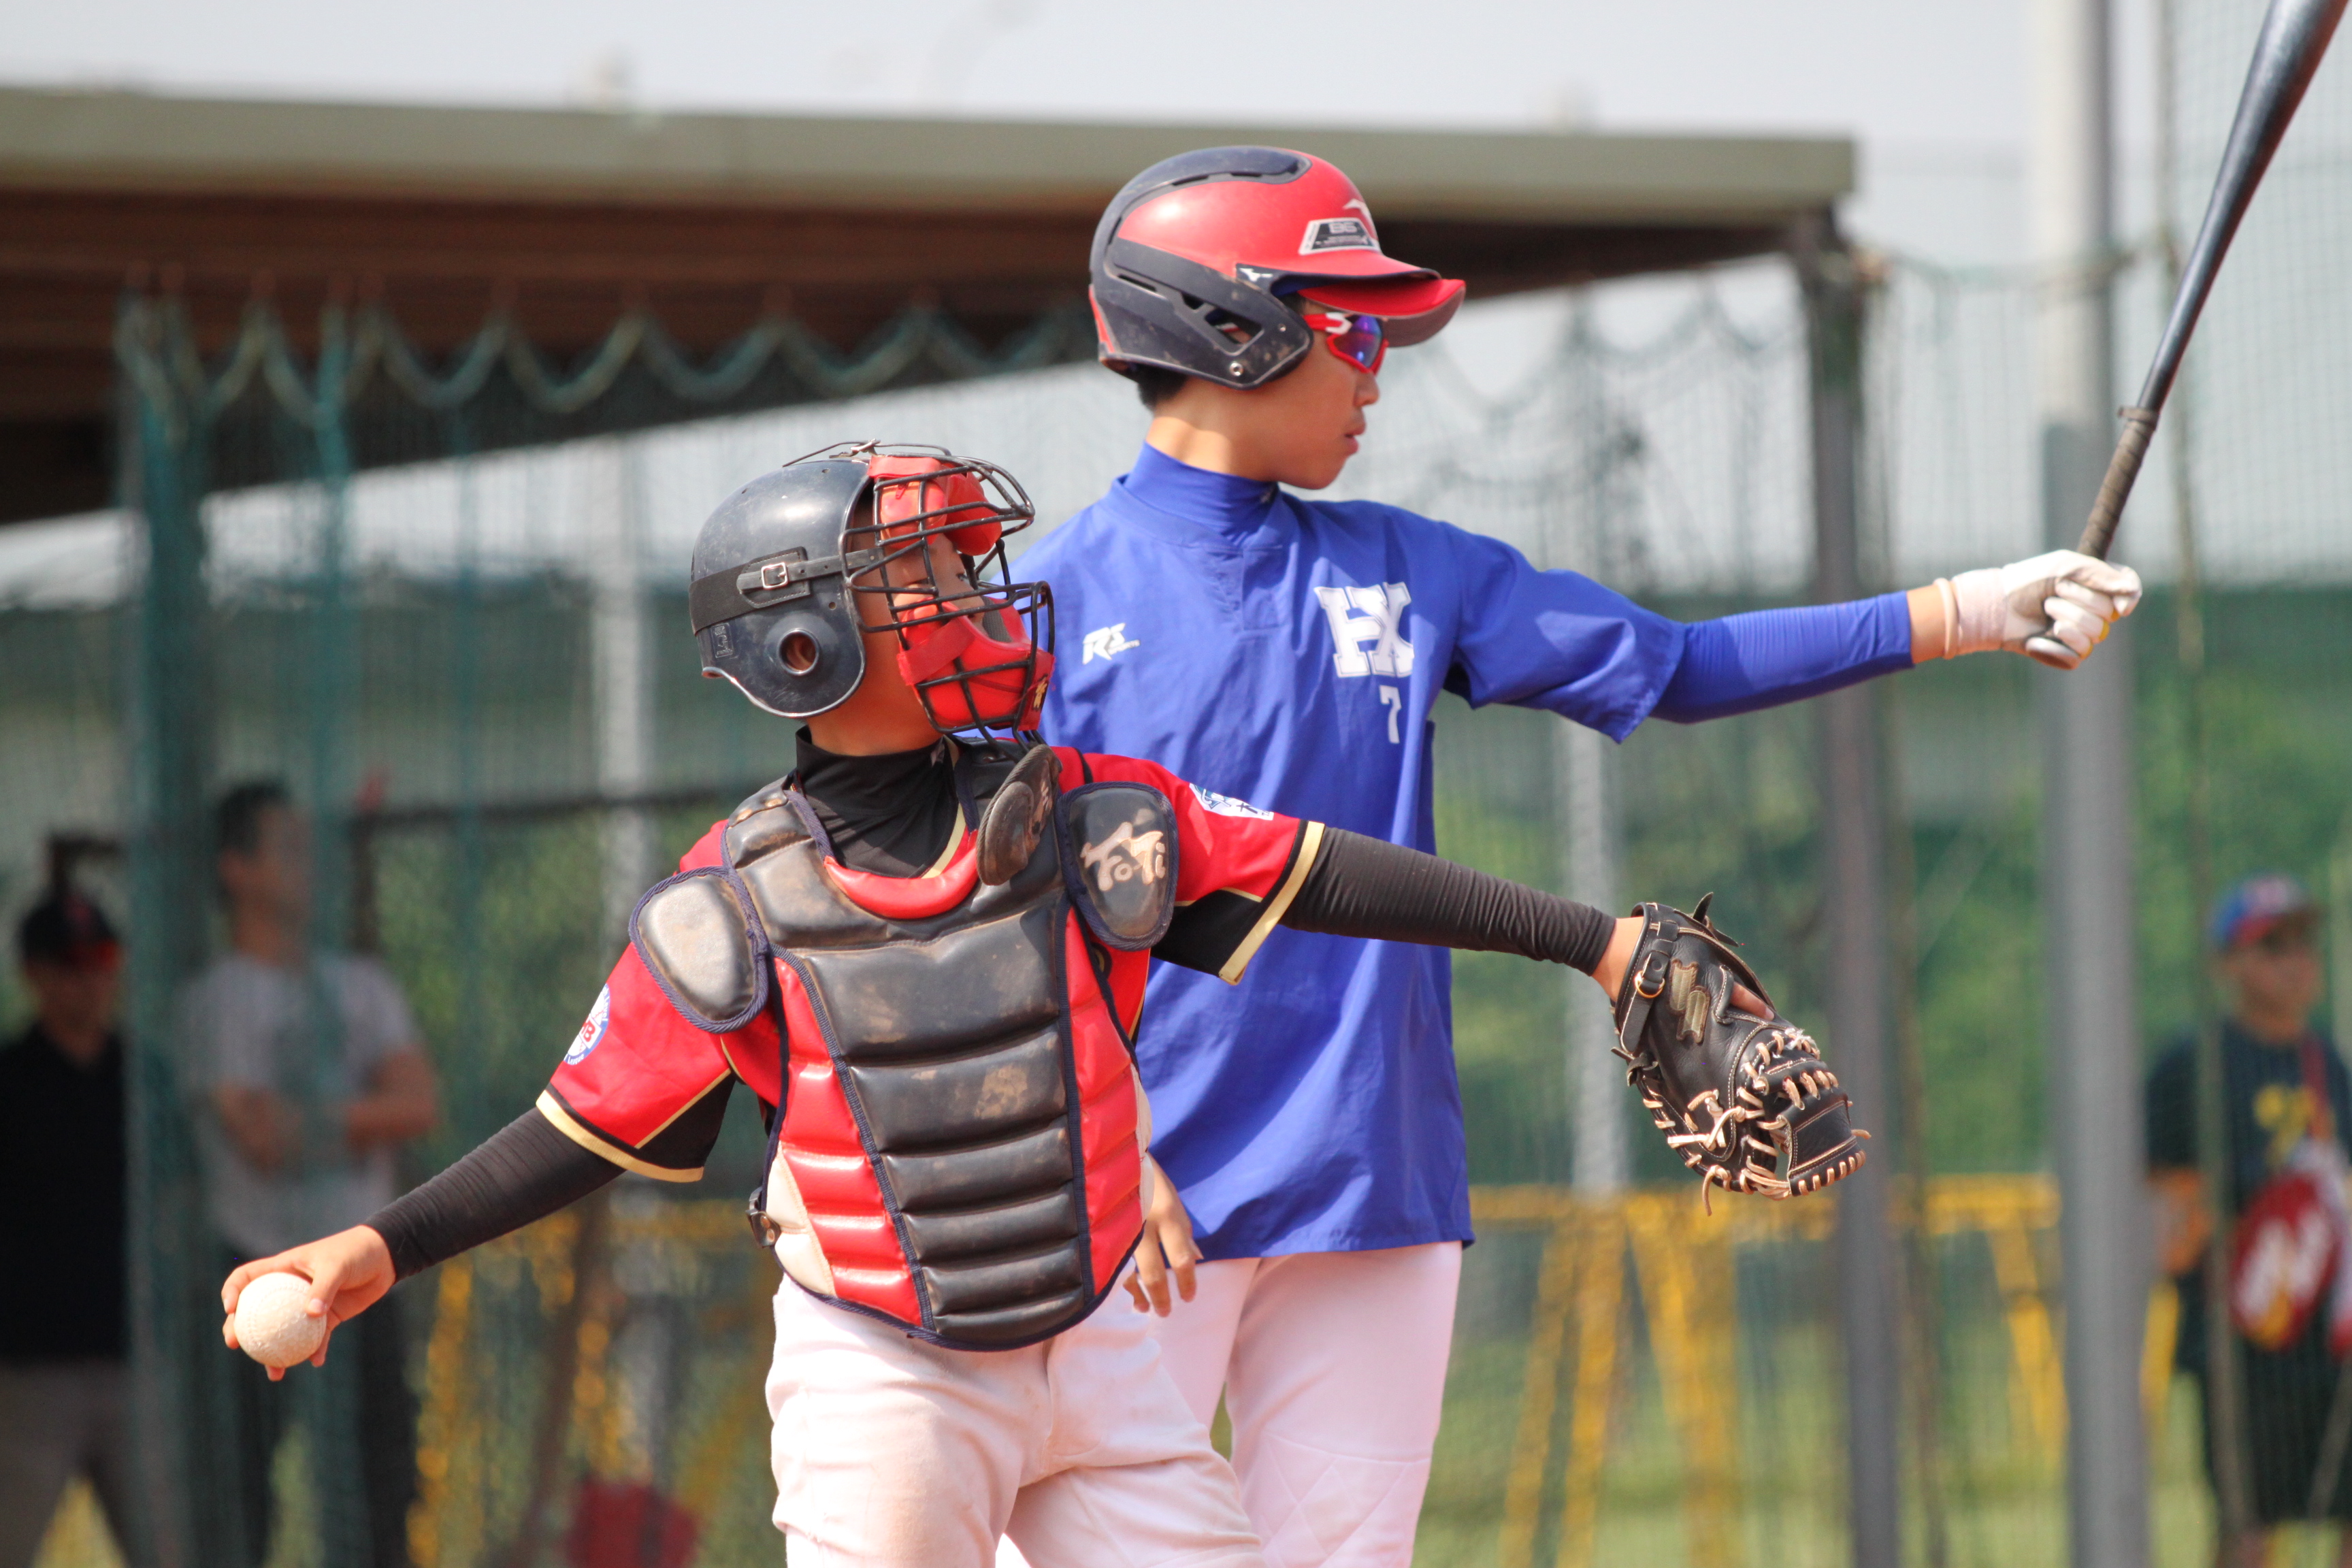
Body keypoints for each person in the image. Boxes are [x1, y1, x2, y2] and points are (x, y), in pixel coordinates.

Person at [217, 445, 1832, 1568]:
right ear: (803, 643)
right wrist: (376, 1250)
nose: (982, 599)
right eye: (924, 579)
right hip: (887, 1372)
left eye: (968, 566)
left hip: (1105, 1350)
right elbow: (580, 1130)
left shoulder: (1082, 810)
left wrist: (1596, 944)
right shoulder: (731, 904)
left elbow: (1332, 874)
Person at [1017, 144, 2149, 1565]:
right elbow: (1000, 922)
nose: (1378, 372)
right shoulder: (1042, 607)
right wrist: (1096, 1140)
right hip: (1144, 1191)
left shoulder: (1402, 566)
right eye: (1354, 330)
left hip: (1374, 1179)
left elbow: (1678, 664)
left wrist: (1970, 609)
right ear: (1227, 328)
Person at [182, 781, 440, 1568]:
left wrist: (308, 1122)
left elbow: (419, 1104)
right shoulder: (216, 1000)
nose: (314, 864)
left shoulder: (362, 984)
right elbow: (261, 1139)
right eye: (290, 848)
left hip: (363, 1274)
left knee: (382, 1495)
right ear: (236, 869)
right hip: (250, 1271)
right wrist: (363, 1112)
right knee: (239, 1505)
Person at [2148, 875, 2352, 1568]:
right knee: (2248, 1523)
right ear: (2229, 964)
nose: (2296, 961)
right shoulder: (2191, 1065)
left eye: (2303, 943)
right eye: (2273, 946)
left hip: (2324, 1333)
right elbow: (2158, 1196)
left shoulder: (2326, 1061)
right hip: (2240, 1336)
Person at [0, 889, 140, 1568]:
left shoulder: (144, 1079)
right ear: (35, 973)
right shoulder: (11, 1080)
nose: (89, 978)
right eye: (70, 963)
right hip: (30, 1372)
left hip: (135, 1366)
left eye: (102, 958)